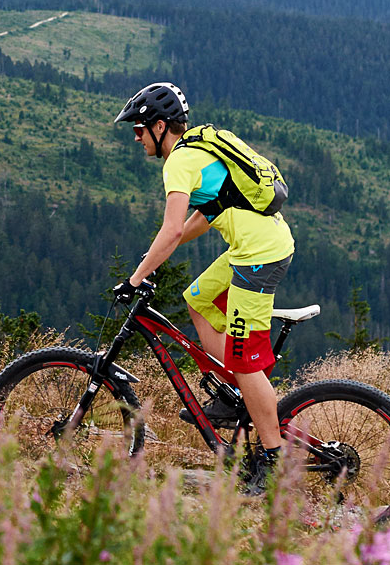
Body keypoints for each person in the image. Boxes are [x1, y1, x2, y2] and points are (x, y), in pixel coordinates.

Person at [111, 81, 294, 493]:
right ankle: (234, 394)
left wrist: (134, 279)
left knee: (247, 361)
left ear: (160, 127)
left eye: (139, 130)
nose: (136, 138)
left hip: (258, 254)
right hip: (259, 243)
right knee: (197, 298)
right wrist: (151, 258)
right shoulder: (199, 148)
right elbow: (209, 214)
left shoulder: (178, 162)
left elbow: (173, 227)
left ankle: (272, 459)